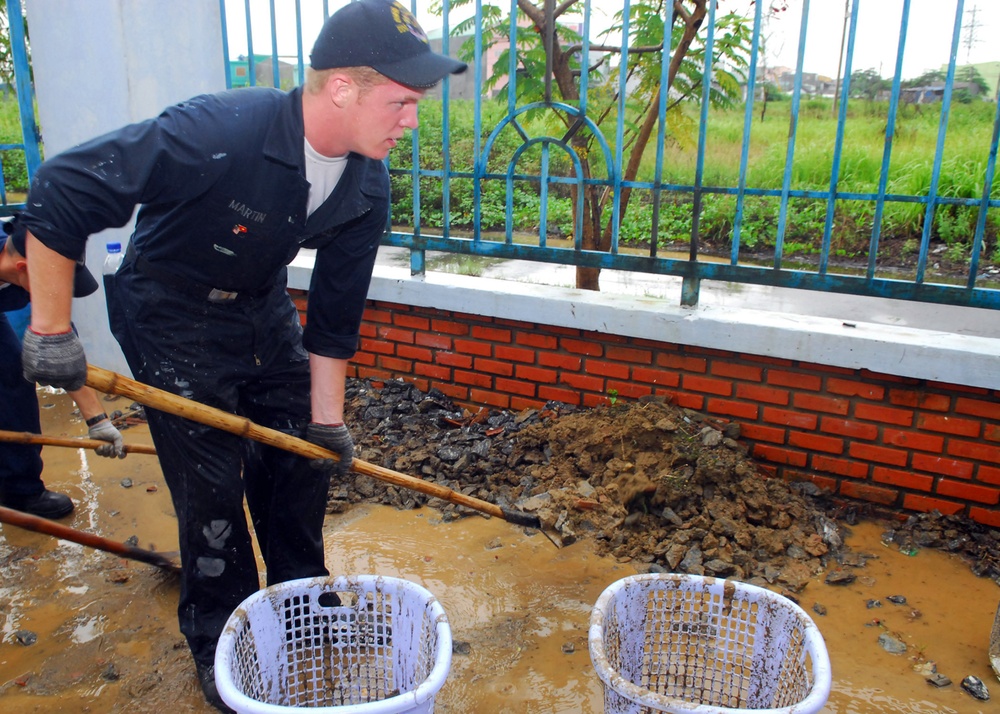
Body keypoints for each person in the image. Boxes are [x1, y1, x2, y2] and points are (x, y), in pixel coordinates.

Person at [16, 1, 465, 710]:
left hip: (259, 305)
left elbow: (336, 317)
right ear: (343, 87)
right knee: (212, 487)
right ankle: (221, 634)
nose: (411, 119)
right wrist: (49, 329)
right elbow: (65, 189)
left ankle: (305, 605)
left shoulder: (365, 183)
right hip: (167, 308)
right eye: (402, 100)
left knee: (300, 463)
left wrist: (324, 423)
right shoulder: (221, 130)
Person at [0, 222, 125, 519]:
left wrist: (97, 420)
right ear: (24, 268)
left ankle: (19, 490)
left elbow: (60, 350)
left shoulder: (24, 269)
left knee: (12, 372)